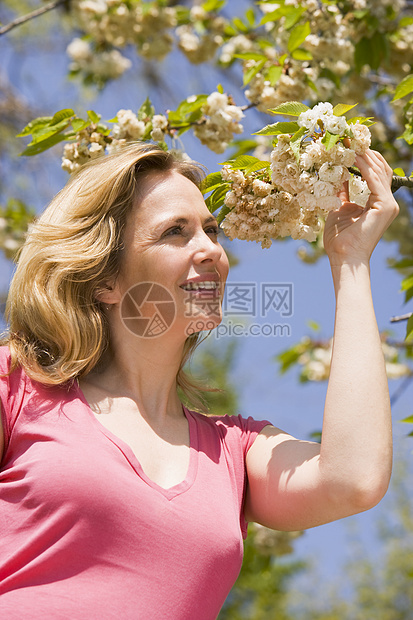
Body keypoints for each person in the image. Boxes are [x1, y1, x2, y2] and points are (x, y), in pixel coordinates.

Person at [0, 142, 398, 619]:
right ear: (105, 278)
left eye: (211, 230)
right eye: (176, 232)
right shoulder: (17, 386)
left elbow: (351, 480)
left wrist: (350, 261)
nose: (211, 249)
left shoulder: (233, 452)